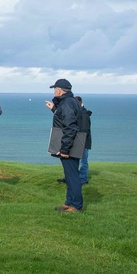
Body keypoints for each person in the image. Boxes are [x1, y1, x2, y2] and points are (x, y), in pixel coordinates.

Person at [46, 78, 83, 213]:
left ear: (59, 90)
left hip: (70, 145)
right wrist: (55, 109)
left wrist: (65, 149)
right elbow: (64, 118)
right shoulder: (70, 102)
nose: (54, 91)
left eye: (55, 89)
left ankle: (76, 205)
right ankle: (69, 202)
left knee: (72, 175)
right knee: (69, 175)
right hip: (70, 143)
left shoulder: (67, 103)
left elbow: (70, 127)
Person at [76, 96, 92, 185]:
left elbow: (85, 130)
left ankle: (83, 179)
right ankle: (76, 178)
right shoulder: (78, 114)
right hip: (78, 140)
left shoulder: (84, 115)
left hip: (83, 142)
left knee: (83, 161)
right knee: (77, 161)